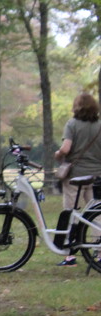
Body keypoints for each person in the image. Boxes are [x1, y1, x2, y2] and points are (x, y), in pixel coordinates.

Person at [53, 92, 101, 266]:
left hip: (75, 177)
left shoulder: (72, 124)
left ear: (76, 107)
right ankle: (99, 252)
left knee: (71, 212)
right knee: (96, 215)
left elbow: (66, 149)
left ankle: (70, 255)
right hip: (96, 176)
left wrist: (58, 154)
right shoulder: (99, 125)